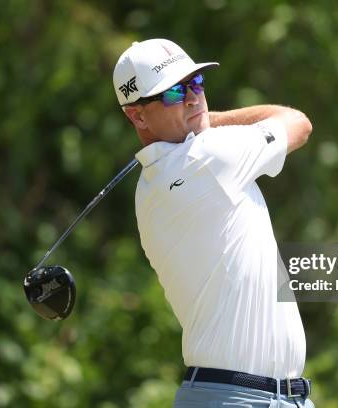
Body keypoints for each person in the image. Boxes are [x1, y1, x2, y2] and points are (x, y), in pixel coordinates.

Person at [113, 38, 314, 407]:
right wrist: (211, 121)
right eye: (174, 92)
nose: (192, 97)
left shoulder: (151, 185)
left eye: (196, 83)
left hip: (271, 397)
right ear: (137, 116)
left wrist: (198, 122)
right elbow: (298, 123)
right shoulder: (209, 156)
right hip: (237, 398)